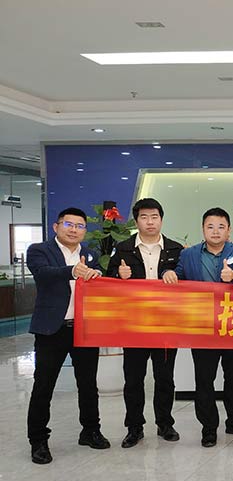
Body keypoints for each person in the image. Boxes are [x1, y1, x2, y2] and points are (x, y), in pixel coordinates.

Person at [166, 207, 233, 447]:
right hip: (202, 325)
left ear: (229, 230)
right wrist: (168, 272)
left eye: (221, 227)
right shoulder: (189, 254)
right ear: (203, 229)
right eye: (210, 227)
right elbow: (178, 274)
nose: (216, 231)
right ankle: (209, 428)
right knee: (204, 379)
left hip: (232, 323)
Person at [26, 207, 107, 464]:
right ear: (56, 226)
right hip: (52, 329)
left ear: (85, 230)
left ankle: (90, 430)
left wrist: (98, 275)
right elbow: (43, 274)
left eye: (80, 226)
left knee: (88, 383)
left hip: (84, 328)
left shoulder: (90, 254)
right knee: (44, 385)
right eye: (68, 224)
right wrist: (72, 271)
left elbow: (98, 280)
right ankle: (38, 440)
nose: (74, 230)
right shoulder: (39, 250)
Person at [106, 198, 183, 448]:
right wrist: (118, 275)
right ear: (137, 220)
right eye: (144, 217)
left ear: (161, 219)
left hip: (166, 325)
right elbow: (107, 283)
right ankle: (134, 427)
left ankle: (165, 423)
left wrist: (175, 275)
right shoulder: (123, 248)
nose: (150, 222)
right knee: (133, 379)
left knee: (165, 378)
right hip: (135, 325)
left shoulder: (175, 249)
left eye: (154, 217)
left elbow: (186, 280)